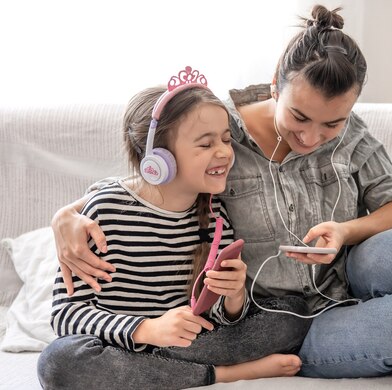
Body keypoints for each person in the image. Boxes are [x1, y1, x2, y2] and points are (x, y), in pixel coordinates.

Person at [51, 5, 392, 380]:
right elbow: (154, 176)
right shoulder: (218, 131)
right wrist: (66, 215)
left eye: (332, 124)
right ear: (275, 82)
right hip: (283, 320)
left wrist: (346, 231)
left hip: (349, 284)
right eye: (299, 116)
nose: (311, 137)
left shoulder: (352, 135)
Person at [38, 67, 312, 389]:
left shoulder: (216, 215)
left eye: (226, 139)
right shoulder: (103, 211)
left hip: (190, 342)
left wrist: (235, 295)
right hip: (121, 343)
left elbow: (217, 318)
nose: (224, 152)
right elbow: (66, 314)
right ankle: (223, 374)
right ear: (159, 158)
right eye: (205, 144)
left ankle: (157, 372)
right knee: (59, 361)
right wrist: (147, 329)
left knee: (292, 314)